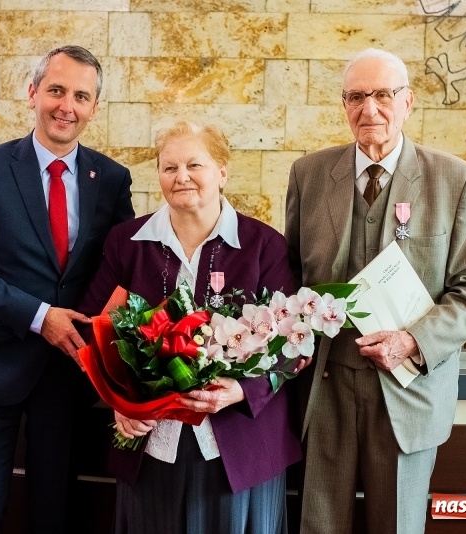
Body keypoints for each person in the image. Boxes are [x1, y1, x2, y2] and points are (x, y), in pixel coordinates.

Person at [285, 48, 466, 534]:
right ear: (344, 105)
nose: (370, 109)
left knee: (397, 525)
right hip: (327, 385)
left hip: (408, 386)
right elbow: (290, 274)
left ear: (408, 102)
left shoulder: (455, 180)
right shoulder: (308, 175)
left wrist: (412, 342)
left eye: (383, 94)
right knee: (318, 525)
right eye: (356, 96)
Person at [0, 45, 134, 534]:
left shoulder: (111, 180)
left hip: (67, 376)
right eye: (56, 90)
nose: (67, 105)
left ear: (93, 107)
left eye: (81, 96)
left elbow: (122, 270)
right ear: (33, 93)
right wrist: (39, 315)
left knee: (55, 514)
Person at [79, 120, 302, 534]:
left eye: (194, 165)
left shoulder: (264, 245)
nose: (181, 177)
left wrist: (242, 389)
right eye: (169, 167)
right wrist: (120, 404)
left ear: (222, 171)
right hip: (150, 445)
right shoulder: (126, 243)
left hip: (240, 445)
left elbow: (294, 345)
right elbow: (91, 332)